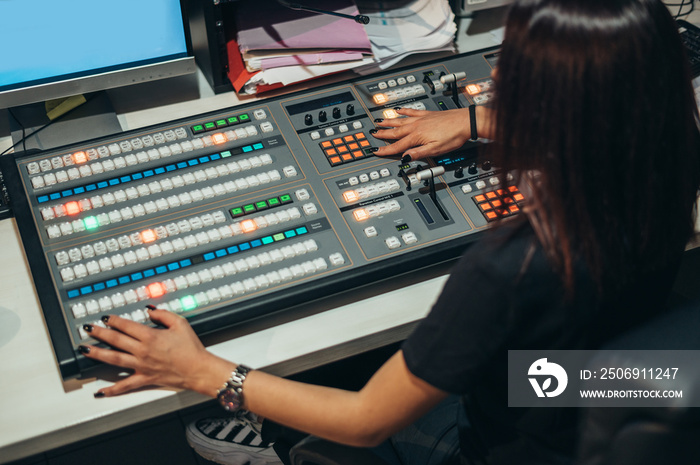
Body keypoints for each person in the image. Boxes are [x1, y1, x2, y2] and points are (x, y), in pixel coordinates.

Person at [78, 0, 700, 464]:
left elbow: (365, 420)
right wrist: (474, 119)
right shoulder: (677, 148)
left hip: (506, 440)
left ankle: (272, 443)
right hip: (586, 381)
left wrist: (206, 373)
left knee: (337, 387)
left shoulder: (510, 268)